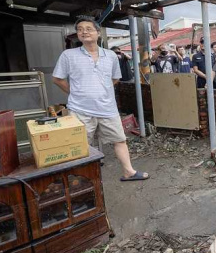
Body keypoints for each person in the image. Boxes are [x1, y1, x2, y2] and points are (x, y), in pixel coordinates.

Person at [52, 17, 149, 182]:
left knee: (119, 140)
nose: (84, 32)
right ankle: (82, 179)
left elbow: (115, 78)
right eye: (80, 29)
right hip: (80, 110)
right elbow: (57, 79)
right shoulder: (68, 55)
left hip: (107, 108)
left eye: (88, 29)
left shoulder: (110, 55)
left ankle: (129, 172)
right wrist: (75, 93)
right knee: (81, 145)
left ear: (98, 33)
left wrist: (101, 90)